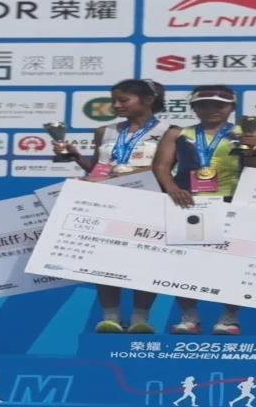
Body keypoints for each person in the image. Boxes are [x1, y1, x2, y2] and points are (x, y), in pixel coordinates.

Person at [53, 79, 168, 334]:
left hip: (149, 205)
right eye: (114, 100)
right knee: (104, 261)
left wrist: (120, 176)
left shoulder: (170, 131)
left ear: (148, 100)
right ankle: (110, 317)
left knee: (146, 262)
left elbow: (165, 169)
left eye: (123, 100)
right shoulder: (104, 131)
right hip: (108, 204)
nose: (116, 105)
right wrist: (75, 156)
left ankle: (140, 319)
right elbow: (97, 169)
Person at [152, 85, 256, 335]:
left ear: (232, 108)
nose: (211, 109)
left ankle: (230, 317)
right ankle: (189, 316)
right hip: (188, 202)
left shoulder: (247, 132)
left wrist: (252, 147)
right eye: (204, 105)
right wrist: (172, 188)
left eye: (219, 105)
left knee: (233, 263)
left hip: (232, 201)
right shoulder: (178, 133)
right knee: (185, 263)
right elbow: (161, 166)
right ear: (194, 108)